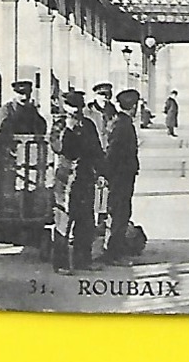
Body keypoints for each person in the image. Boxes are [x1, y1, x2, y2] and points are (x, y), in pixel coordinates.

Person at [53, 90, 103, 272]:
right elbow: (57, 147)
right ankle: (61, 264)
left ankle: (84, 260)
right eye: (73, 107)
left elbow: (97, 150)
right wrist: (67, 129)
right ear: (65, 107)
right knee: (64, 221)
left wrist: (101, 172)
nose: (76, 111)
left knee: (86, 221)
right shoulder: (59, 125)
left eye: (79, 107)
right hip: (66, 180)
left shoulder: (88, 125)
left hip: (85, 177)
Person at [101, 89, 142, 261]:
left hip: (121, 176)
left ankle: (114, 251)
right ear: (133, 106)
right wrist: (107, 174)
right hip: (120, 177)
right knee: (120, 213)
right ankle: (113, 254)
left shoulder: (121, 123)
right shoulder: (123, 125)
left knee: (121, 213)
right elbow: (113, 153)